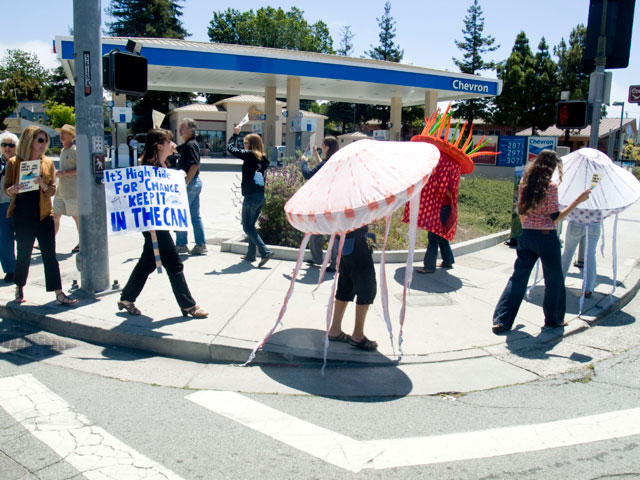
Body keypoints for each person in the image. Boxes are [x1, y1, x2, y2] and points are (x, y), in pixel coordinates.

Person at [492, 150, 590, 334]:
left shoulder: (524, 184)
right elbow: (556, 217)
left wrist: (528, 227)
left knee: (518, 277)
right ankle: (553, 320)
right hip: (546, 237)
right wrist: (578, 200)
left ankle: (502, 320)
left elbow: (521, 211)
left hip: (527, 235)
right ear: (553, 167)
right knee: (554, 280)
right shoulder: (550, 187)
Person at [118, 128, 207, 318]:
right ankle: (188, 306)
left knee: (147, 262)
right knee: (174, 264)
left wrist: (178, 178)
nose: (172, 145)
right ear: (159, 146)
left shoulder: (163, 165)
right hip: (153, 225)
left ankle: (126, 298)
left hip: (160, 222)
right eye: (169, 142)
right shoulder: (149, 169)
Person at [4, 126, 77, 306]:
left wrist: (43, 185)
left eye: (45, 141)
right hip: (23, 215)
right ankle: (19, 286)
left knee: (49, 255)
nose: (44, 145)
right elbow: (6, 189)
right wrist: (12, 190)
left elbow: (52, 190)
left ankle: (59, 292)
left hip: (44, 214)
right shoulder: (15, 162)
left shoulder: (47, 163)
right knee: (24, 255)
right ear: (30, 141)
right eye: (41, 140)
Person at [227, 125, 273, 267]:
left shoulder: (249, 155)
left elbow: (230, 148)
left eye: (246, 143)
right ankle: (251, 255)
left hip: (251, 196)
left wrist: (235, 134)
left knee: (247, 227)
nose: (244, 145)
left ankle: (265, 251)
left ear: (252, 144)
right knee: (251, 225)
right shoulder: (264, 159)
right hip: (260, 196)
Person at [327, 225, 378, 350]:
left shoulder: (335, 205)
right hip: (356, 243)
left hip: (342, 241)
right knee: (367, 287)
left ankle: (335, 329)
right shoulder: (353, 205)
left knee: (346, 284)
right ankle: (358, 335)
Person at [299, 136, 339, 272]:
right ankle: (319, 259)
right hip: (332, 203)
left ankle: (332, 263)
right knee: (319, 232)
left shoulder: (326, 164)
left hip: (324, 204)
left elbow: (308, 175)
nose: (321, 147)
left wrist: (303, 163)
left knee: (324, 232)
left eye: (322, 145)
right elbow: (322, 166)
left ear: (327, 147)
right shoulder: (333, 162)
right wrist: (316, 154)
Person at [175, 118, 207, 256]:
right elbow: (174, 148)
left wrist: (186, 182)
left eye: (183, 127)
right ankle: (201, 245)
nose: (180, 130)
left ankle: (181, 244)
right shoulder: (187, 144)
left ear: (191, 130)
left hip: (190, 182)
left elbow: (194, 164)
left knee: (181, 212)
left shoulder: (191, 145)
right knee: (194, 215)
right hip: (193, 182)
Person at [416, 179, 456, 274]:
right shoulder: (444, 176)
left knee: (433, 236)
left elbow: (451, 195)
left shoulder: (445, 178)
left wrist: (441, 187)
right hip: (440, 208)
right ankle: (448, 261)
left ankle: (429, 267)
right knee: (441, 236)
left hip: (443, 208)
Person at [53, 124, 79, 253]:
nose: (61, 136)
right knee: (55, 215)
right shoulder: (63, 150)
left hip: (73, 191)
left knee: (76, 217)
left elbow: (82, 169)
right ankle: (49, 241)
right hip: (61, 190)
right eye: (61, 133)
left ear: (72, 136)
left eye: (65, 133)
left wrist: (65, 173)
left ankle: (82, 241)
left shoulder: (75, 150)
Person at [561, 220, 601, 298]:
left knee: (568, 252)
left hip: (577, 222)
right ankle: (588, 288)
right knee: (590, 256)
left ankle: (559, 282)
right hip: (594, 224)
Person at [0, 131, 17, 283]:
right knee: (5, 239)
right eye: (4, 145)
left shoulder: (22, 163)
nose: (7, 148)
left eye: (11, 145)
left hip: (20, 205)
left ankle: (21, 268)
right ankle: (10, 269)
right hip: (2, 204)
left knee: (23, 238)